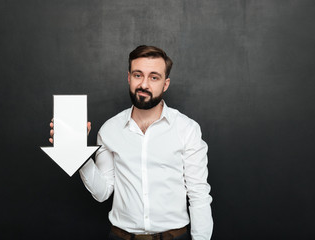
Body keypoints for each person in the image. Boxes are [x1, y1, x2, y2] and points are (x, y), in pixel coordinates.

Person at [49, 45, 213, 240]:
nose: (144, 84)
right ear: (129, 77)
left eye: (154, 77)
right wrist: (76, 151)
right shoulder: (109, 130)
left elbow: (199, 194)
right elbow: (102, 193)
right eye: (138, 75)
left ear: (165, 84)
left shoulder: (187, 128)